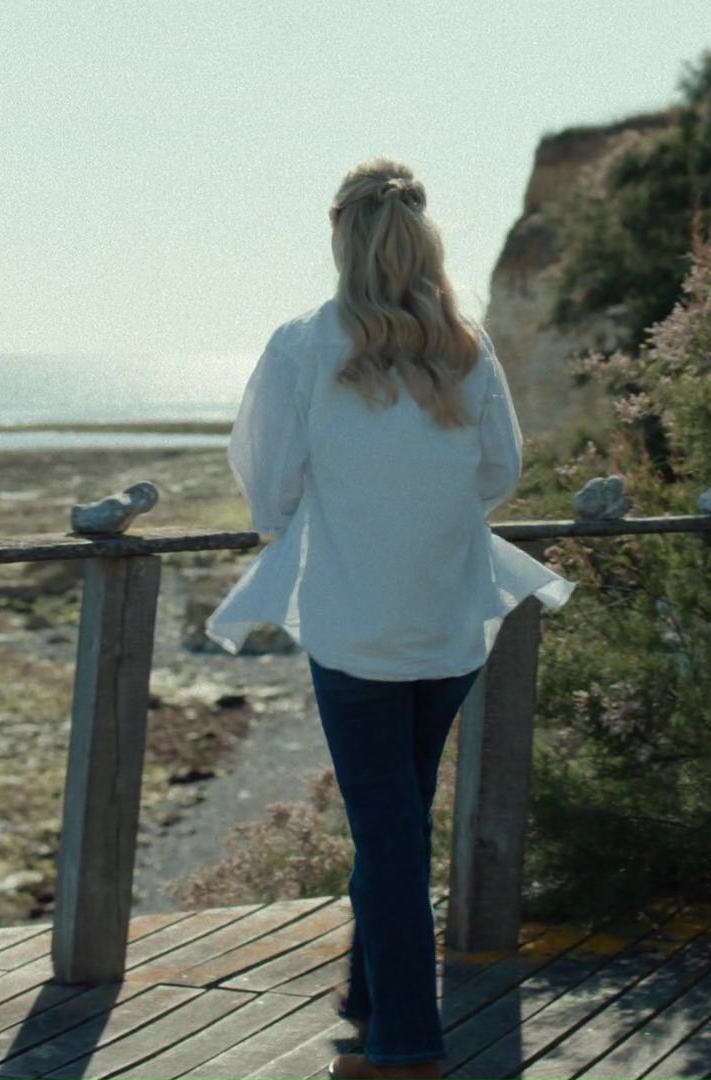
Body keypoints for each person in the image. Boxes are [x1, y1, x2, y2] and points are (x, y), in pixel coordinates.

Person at [205, 158, 576, 1080]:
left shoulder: (302, 345)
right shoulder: (467, 347)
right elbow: (500, 473)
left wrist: (347, 507)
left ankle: (406, 1050)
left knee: (388, 832)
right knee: (398, 819)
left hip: (357, 628)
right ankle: (370, 1001)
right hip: (449, 622)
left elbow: (270, 488)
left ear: (342, 235)